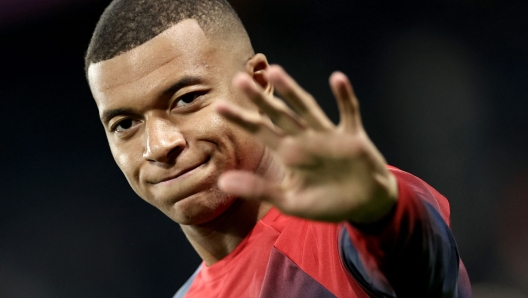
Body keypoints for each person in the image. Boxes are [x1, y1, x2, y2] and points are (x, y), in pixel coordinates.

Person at [85, 0, 472, 297]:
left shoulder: (351, 221)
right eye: (125, 124)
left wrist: (384, 213)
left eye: (186, 100)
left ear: (257, 83)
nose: (159, 145)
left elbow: (426, 274)